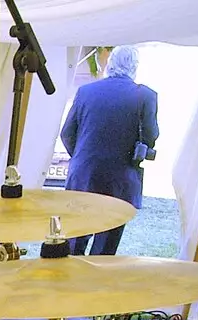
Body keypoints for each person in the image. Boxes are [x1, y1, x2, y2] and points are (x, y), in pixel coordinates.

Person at [58, 45, 158, 256]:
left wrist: (82, 157)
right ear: (135, 68)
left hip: (84, 176)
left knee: (74, 240)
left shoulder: (85, 92)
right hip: (119, 182)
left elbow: (67, 132)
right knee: (104, 251)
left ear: (109, 65)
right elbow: (150, 136)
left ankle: (66, 285)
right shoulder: (146, 96)